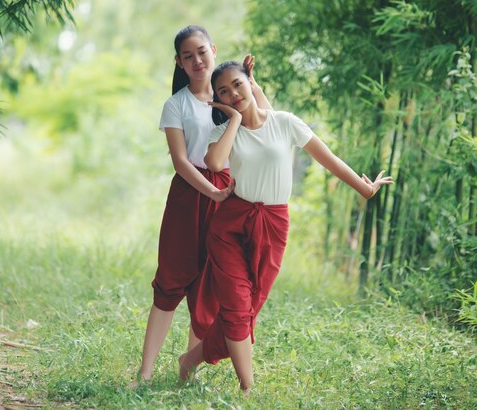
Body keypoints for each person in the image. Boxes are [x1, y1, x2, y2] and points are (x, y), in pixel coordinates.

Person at [177, 61, 394, 394]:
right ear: (217, 98)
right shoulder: (224, 131)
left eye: (238, 84)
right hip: (231, 225)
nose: (233, 94)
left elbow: (330, 159)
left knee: (248, 310)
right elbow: (216, 164)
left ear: (251, 83)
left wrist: (365, 189)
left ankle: (190, 359)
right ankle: (247, 388)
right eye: (224, 91)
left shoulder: (285, 123)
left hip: (273, 225)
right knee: (236, 307)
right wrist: (234, 119)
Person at [135, 27, 273, 385]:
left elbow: (266, 123)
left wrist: (252, 83)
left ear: (213, 50)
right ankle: (145, 372)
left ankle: (188, 373)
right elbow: (180, 161)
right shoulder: (176, 104)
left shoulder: (233, 94)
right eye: (187, 56)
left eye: (201, 52)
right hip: (189, 196)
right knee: (170, 282)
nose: (196, 61)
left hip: (232, 195)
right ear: (179, 62)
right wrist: (212, 194)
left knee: (210, 287)